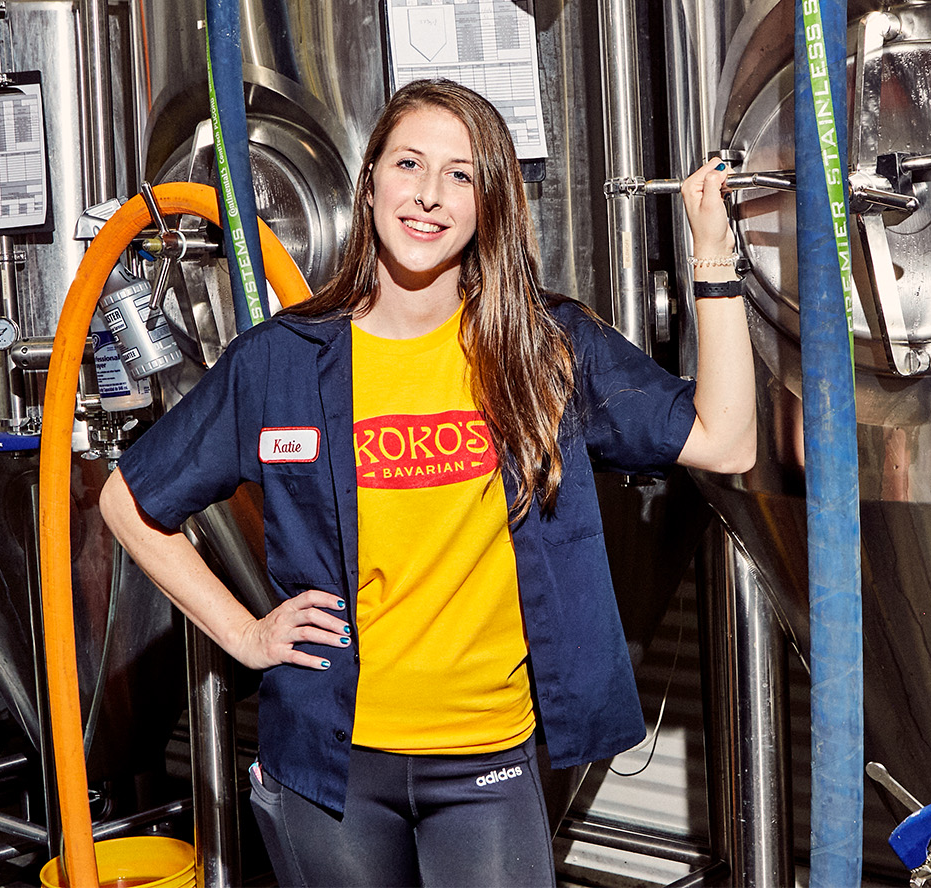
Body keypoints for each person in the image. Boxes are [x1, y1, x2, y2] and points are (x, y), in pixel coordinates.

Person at [100, 78, 756, 887]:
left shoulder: (544, 348)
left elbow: (725, 440)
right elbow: (127, 501)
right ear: (370, 179)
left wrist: (713, 256)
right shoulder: (281, 361)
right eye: (410, 163)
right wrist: (244, 634)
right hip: (328, 765)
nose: (429, 195)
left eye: (461, 174)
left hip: (486, 760)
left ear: (490, 205)